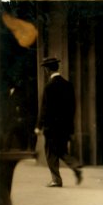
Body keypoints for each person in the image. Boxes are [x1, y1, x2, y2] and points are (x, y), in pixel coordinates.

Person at [35, 57, 82, 187]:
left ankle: (56, 180)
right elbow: (72, 108)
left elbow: (44, 109)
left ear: (47, 70)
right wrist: (70, 128)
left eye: (45, 68)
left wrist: (39, 126)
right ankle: (75, 165)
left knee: (51, 152)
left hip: (51, 127)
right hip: (65, 127)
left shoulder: (49, 87)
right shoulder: (68, 85)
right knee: (61, 150)